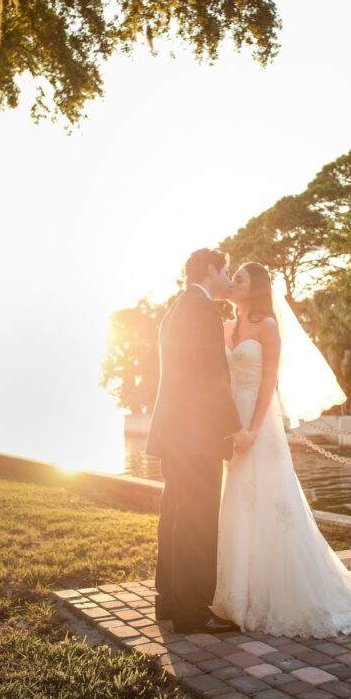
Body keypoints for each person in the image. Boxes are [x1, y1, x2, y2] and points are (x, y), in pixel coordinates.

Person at [211, 261, 351, 637]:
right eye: (232, 277)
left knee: (272, 501)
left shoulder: (268, 327)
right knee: (238, 502)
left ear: (254, 286)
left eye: (239, 277)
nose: (232, 282)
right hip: (231, 426)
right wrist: (228, 428)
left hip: (258, 425)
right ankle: (238, 594)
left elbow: (270, 381)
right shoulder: (224, 328)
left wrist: (252, 430)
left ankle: (283, 594)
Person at [146, 248, 254, 634]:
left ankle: (170, 601)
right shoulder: (203, 309)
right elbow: (210, 375)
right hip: (196, 436)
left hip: (173, 433)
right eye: (225, 271)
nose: (227, 280)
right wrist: (233, 427)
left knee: (174, 515)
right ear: (211, 271)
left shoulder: (177, 307)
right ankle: (193, 612)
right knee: (198, 522)